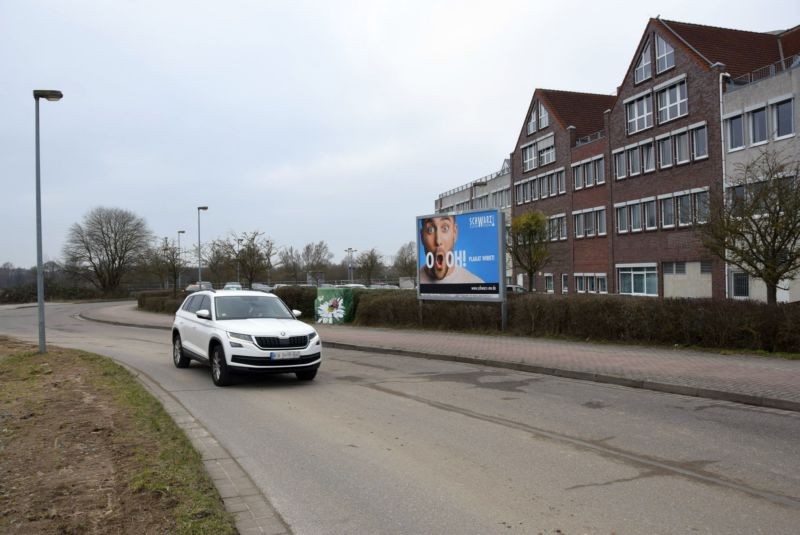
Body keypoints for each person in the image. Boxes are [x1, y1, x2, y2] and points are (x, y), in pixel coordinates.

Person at [418, 215, 483, 284]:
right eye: (430, 230)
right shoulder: (416, 283)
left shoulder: (477, 285)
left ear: (454, 233)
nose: (438, 241)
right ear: (422, 236)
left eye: (445, 228)